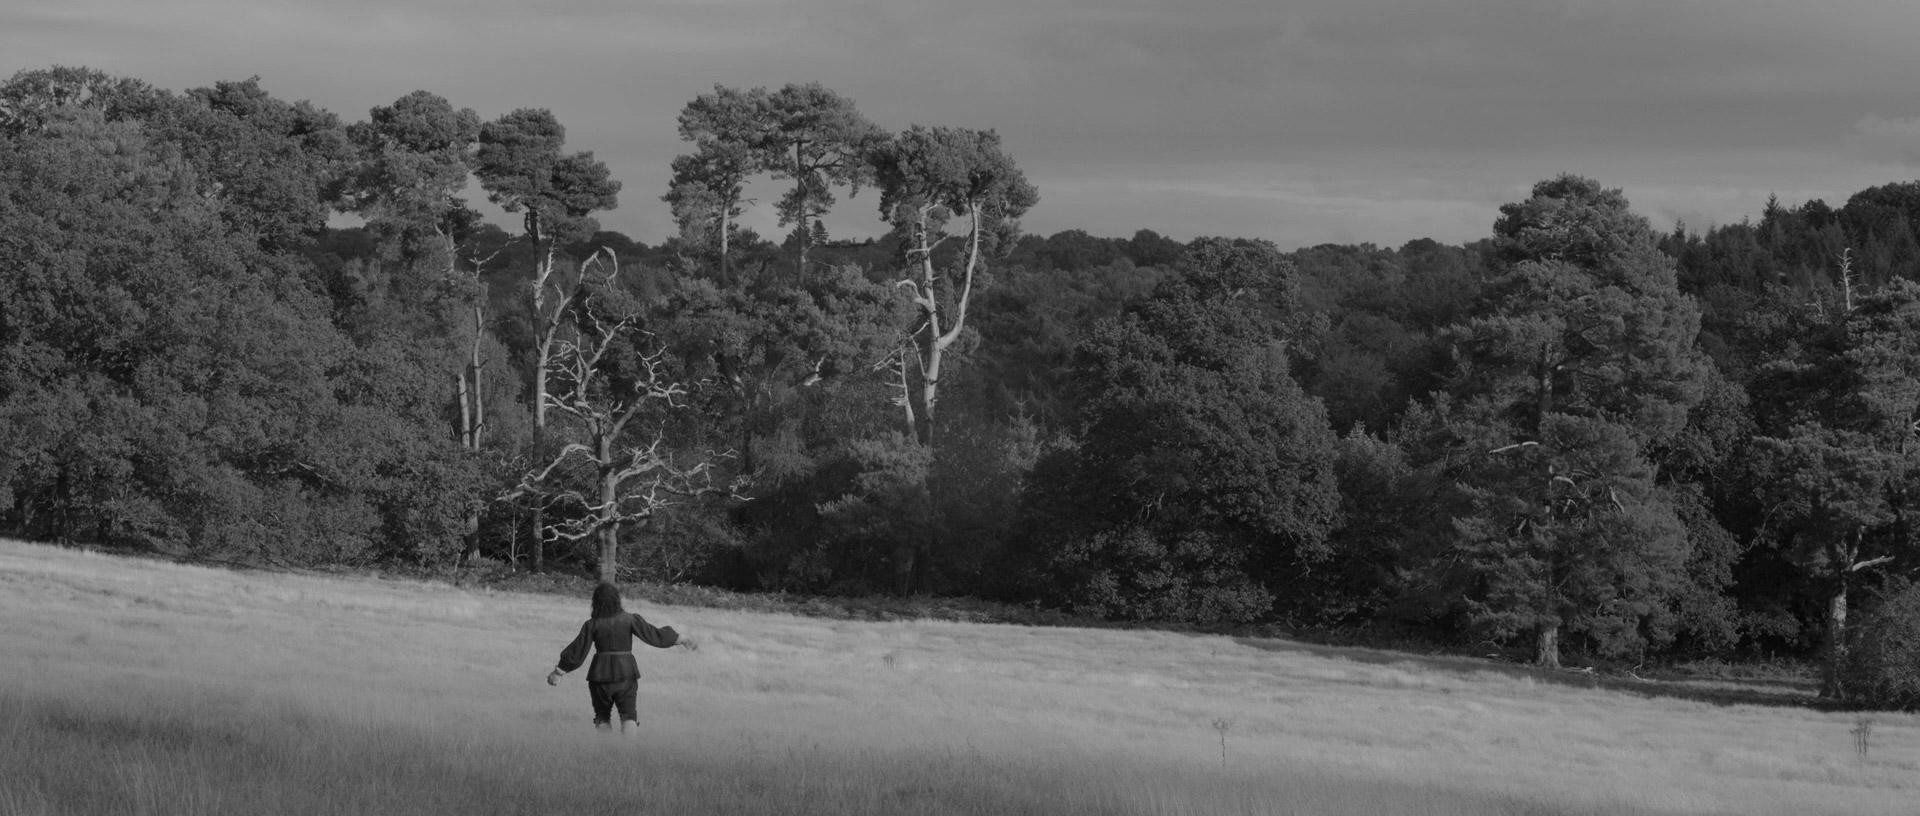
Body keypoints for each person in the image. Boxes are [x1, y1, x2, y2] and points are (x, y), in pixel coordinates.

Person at [546, 582, 691, 734]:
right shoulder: (630, 619)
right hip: (626, 673)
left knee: (602, 717)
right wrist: (679, 639)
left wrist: (558, 672)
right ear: (617, 600)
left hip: (599, 675)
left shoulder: (592, 624)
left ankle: (606, 753)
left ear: (595, 602)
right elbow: (653, 635)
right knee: (629, 716)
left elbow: (577, 650)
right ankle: (628, 753)